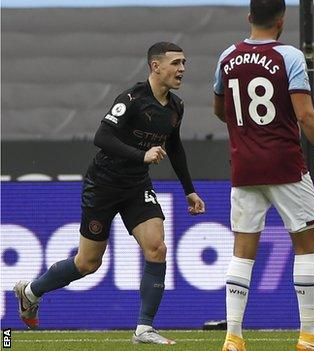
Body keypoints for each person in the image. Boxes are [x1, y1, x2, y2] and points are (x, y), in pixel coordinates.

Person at [13, 42, 205, 345]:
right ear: (156, 66)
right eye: (176, 63)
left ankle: (144, 328)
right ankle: (31, 291)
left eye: (184, 62)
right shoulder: (132, 99)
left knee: (157, 247)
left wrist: (189, 191)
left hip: (136, 186)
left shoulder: (176, 107)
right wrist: (140, 156)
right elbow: (101, 136)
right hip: (103, 185)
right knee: (87, 264)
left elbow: (175, 147)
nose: (182, 69)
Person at [212, 1, 314, 350]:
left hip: (244, 167)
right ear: (282, 20)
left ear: (249, 17)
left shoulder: (227, 56)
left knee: (242, 251)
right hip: (285, 165)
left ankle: (233, 337)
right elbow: (306, 115)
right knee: (307, 246)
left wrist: (249, 135)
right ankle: (309, 334)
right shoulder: (289, 57)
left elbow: (220, 109)